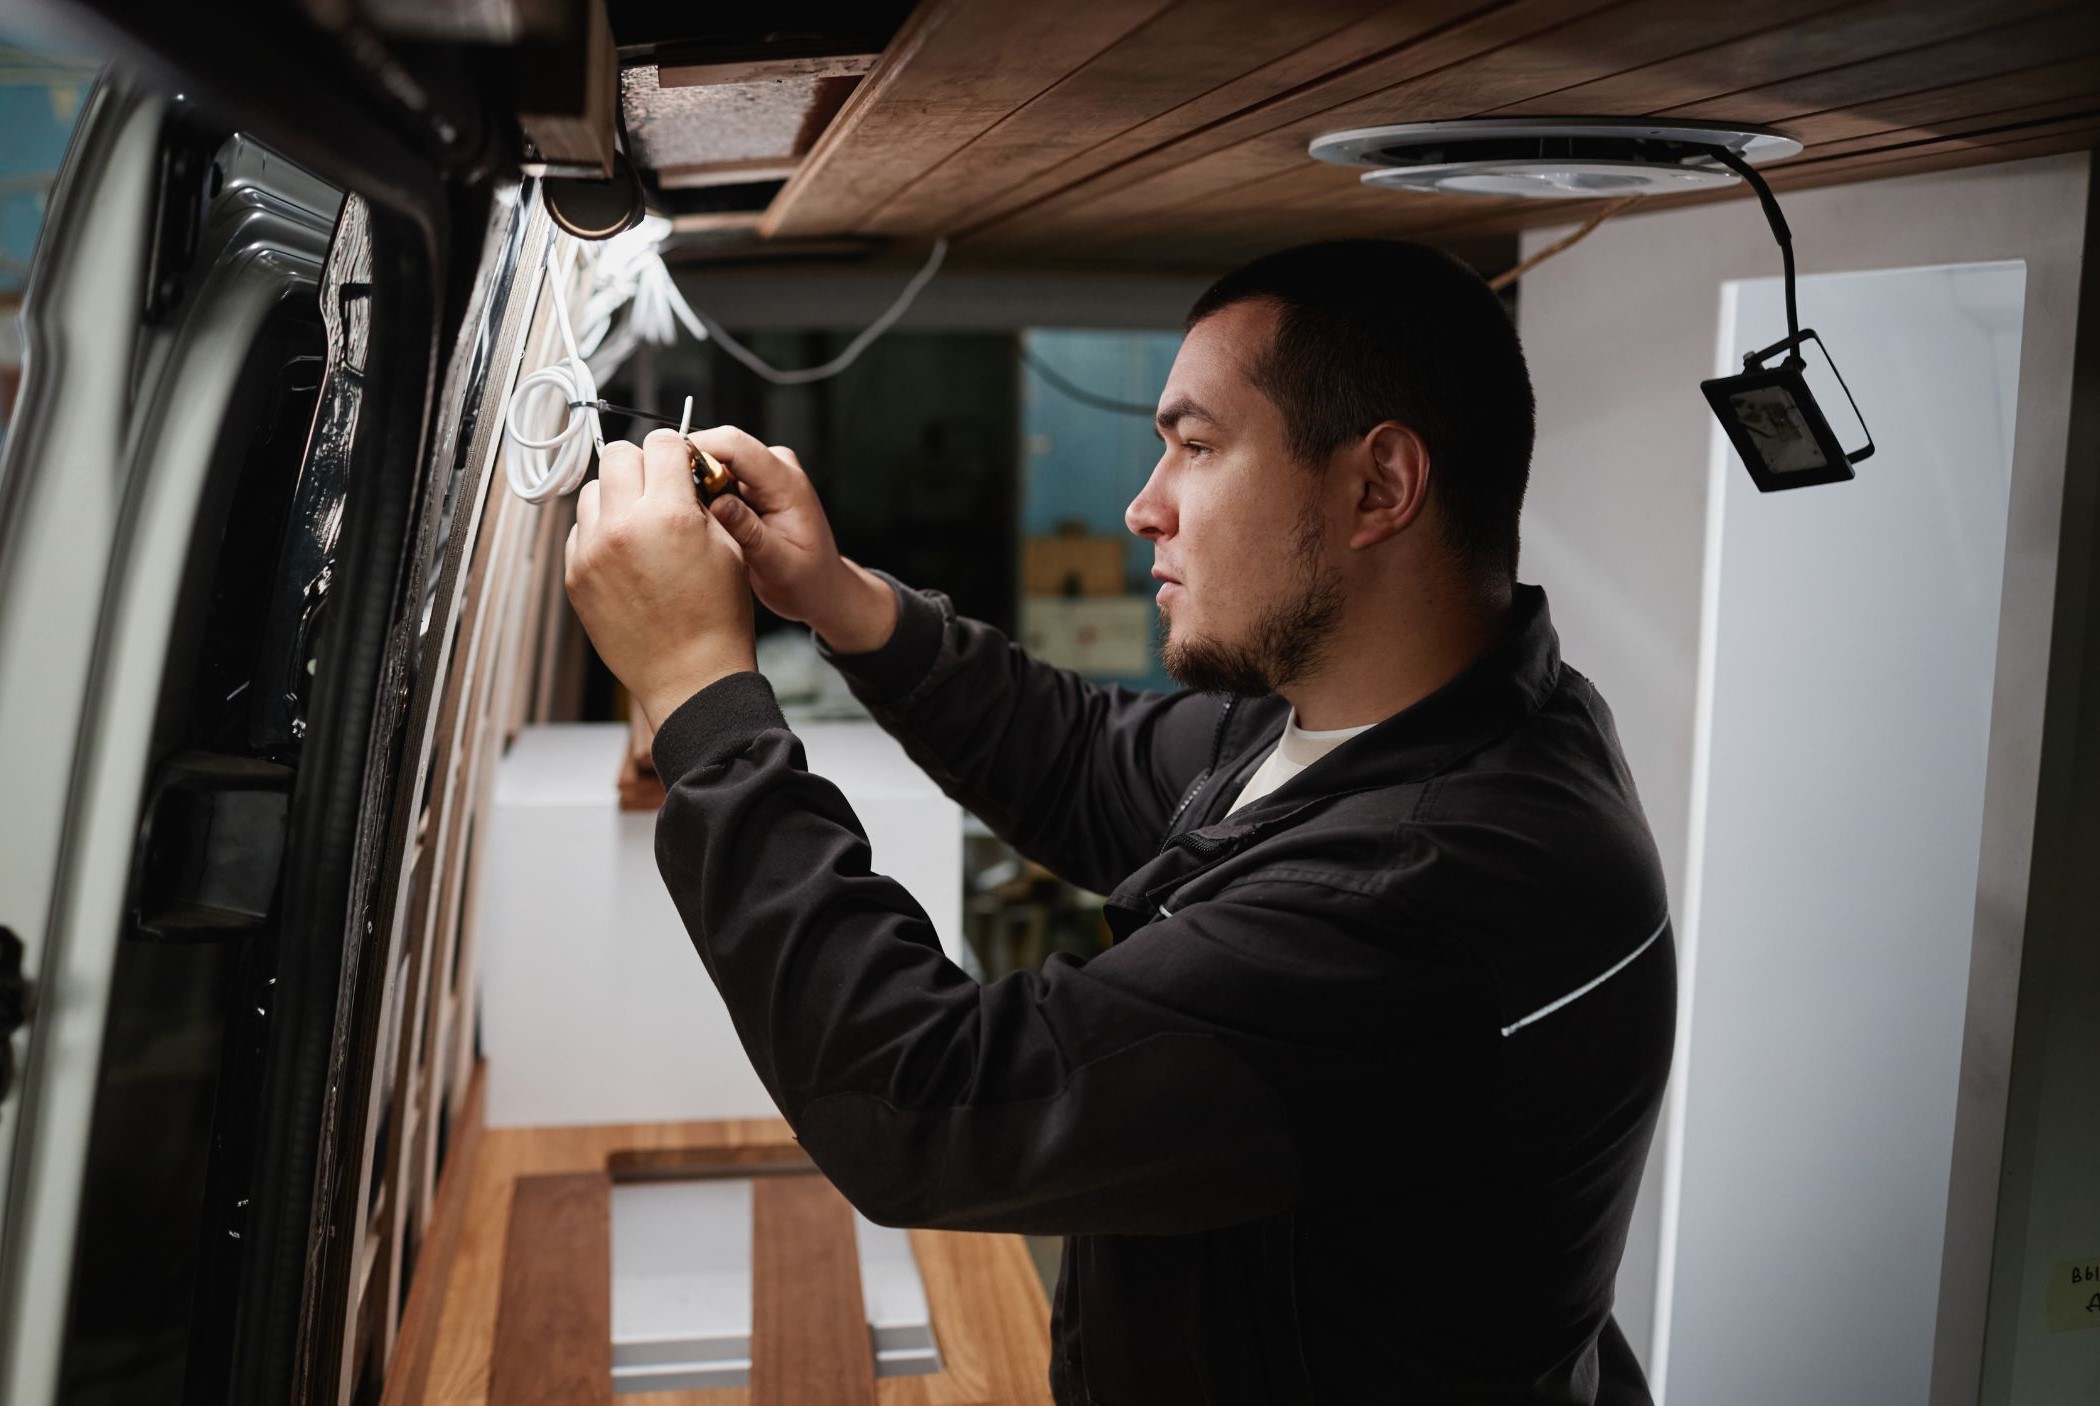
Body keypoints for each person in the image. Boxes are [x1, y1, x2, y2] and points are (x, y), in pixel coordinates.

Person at [563, 239, 1675, 1404]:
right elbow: (1089, 762)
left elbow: (927, 1102)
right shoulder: (1400, 717)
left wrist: (699, 689)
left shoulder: (1424, 892)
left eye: (1196, 445)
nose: (1145, 506)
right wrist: (841, 598)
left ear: (1378, 487)